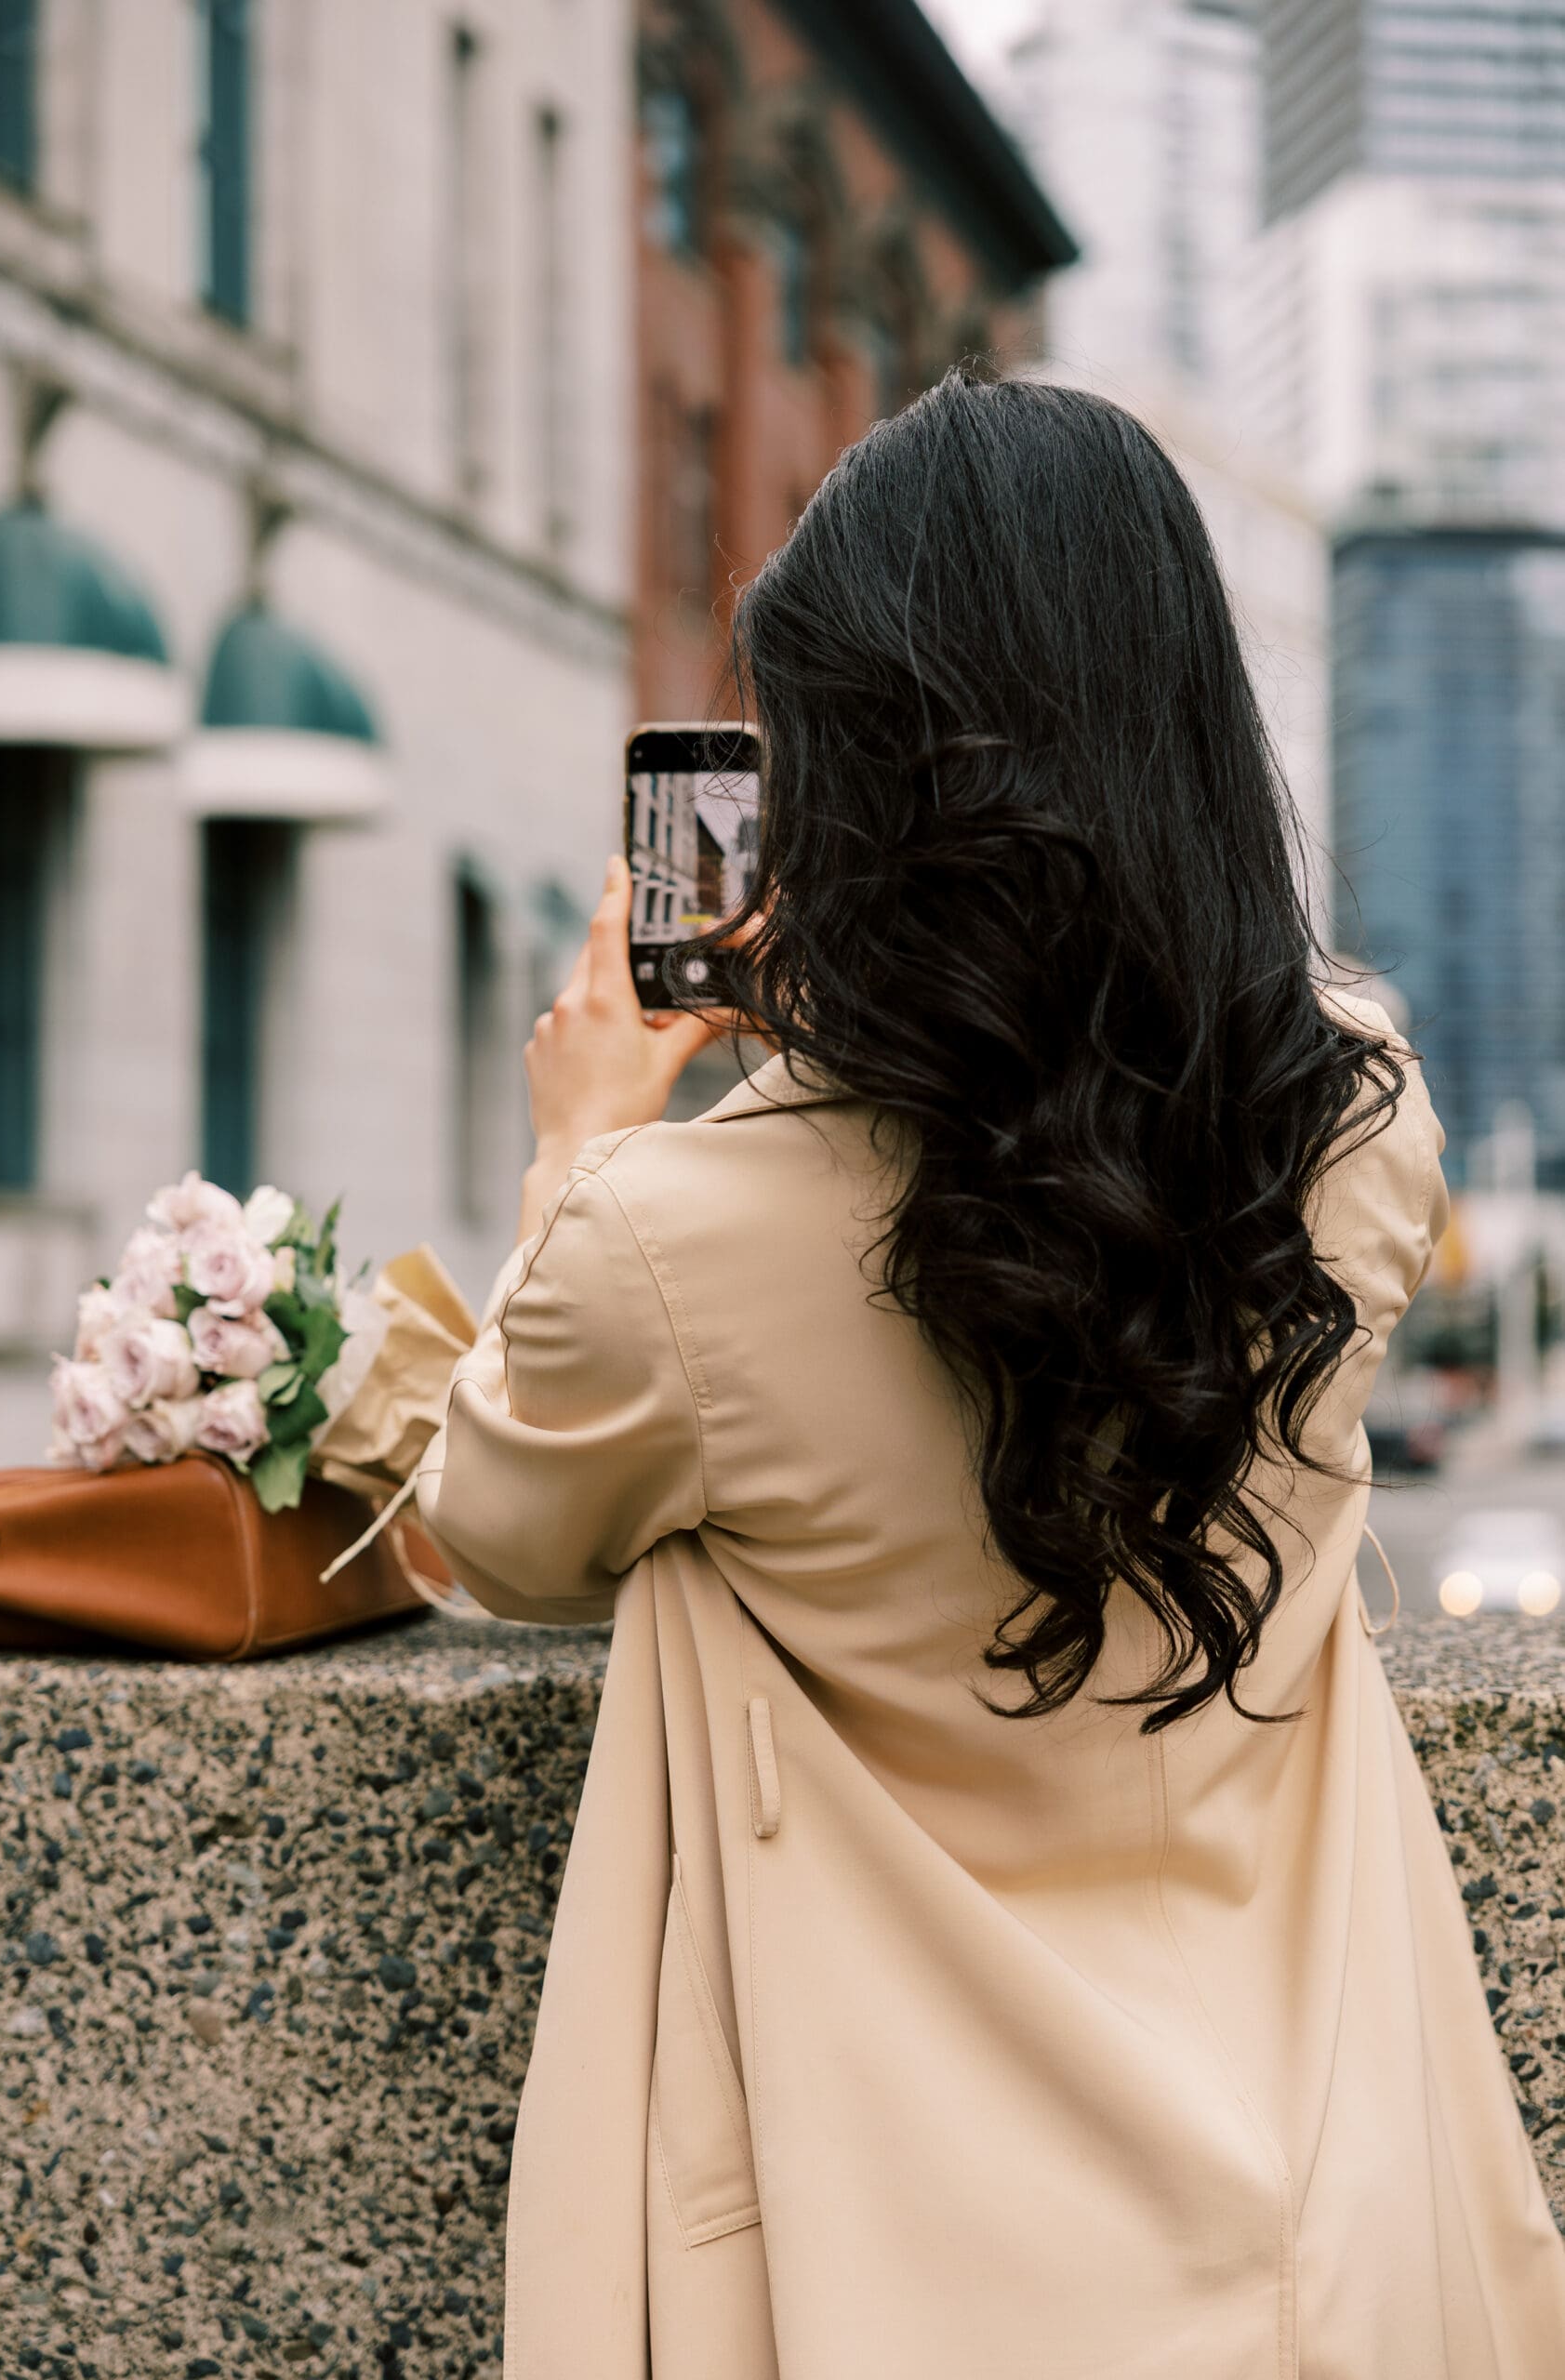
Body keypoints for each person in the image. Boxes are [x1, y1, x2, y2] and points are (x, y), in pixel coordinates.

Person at [416, 373, 1565, 2379]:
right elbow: (1103, 1181)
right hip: (1323, 2213)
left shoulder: (675, 1239)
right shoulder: (1357, 1122)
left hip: (893, 2264)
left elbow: (489, 1528)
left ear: (858, 795)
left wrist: (583, 1144)